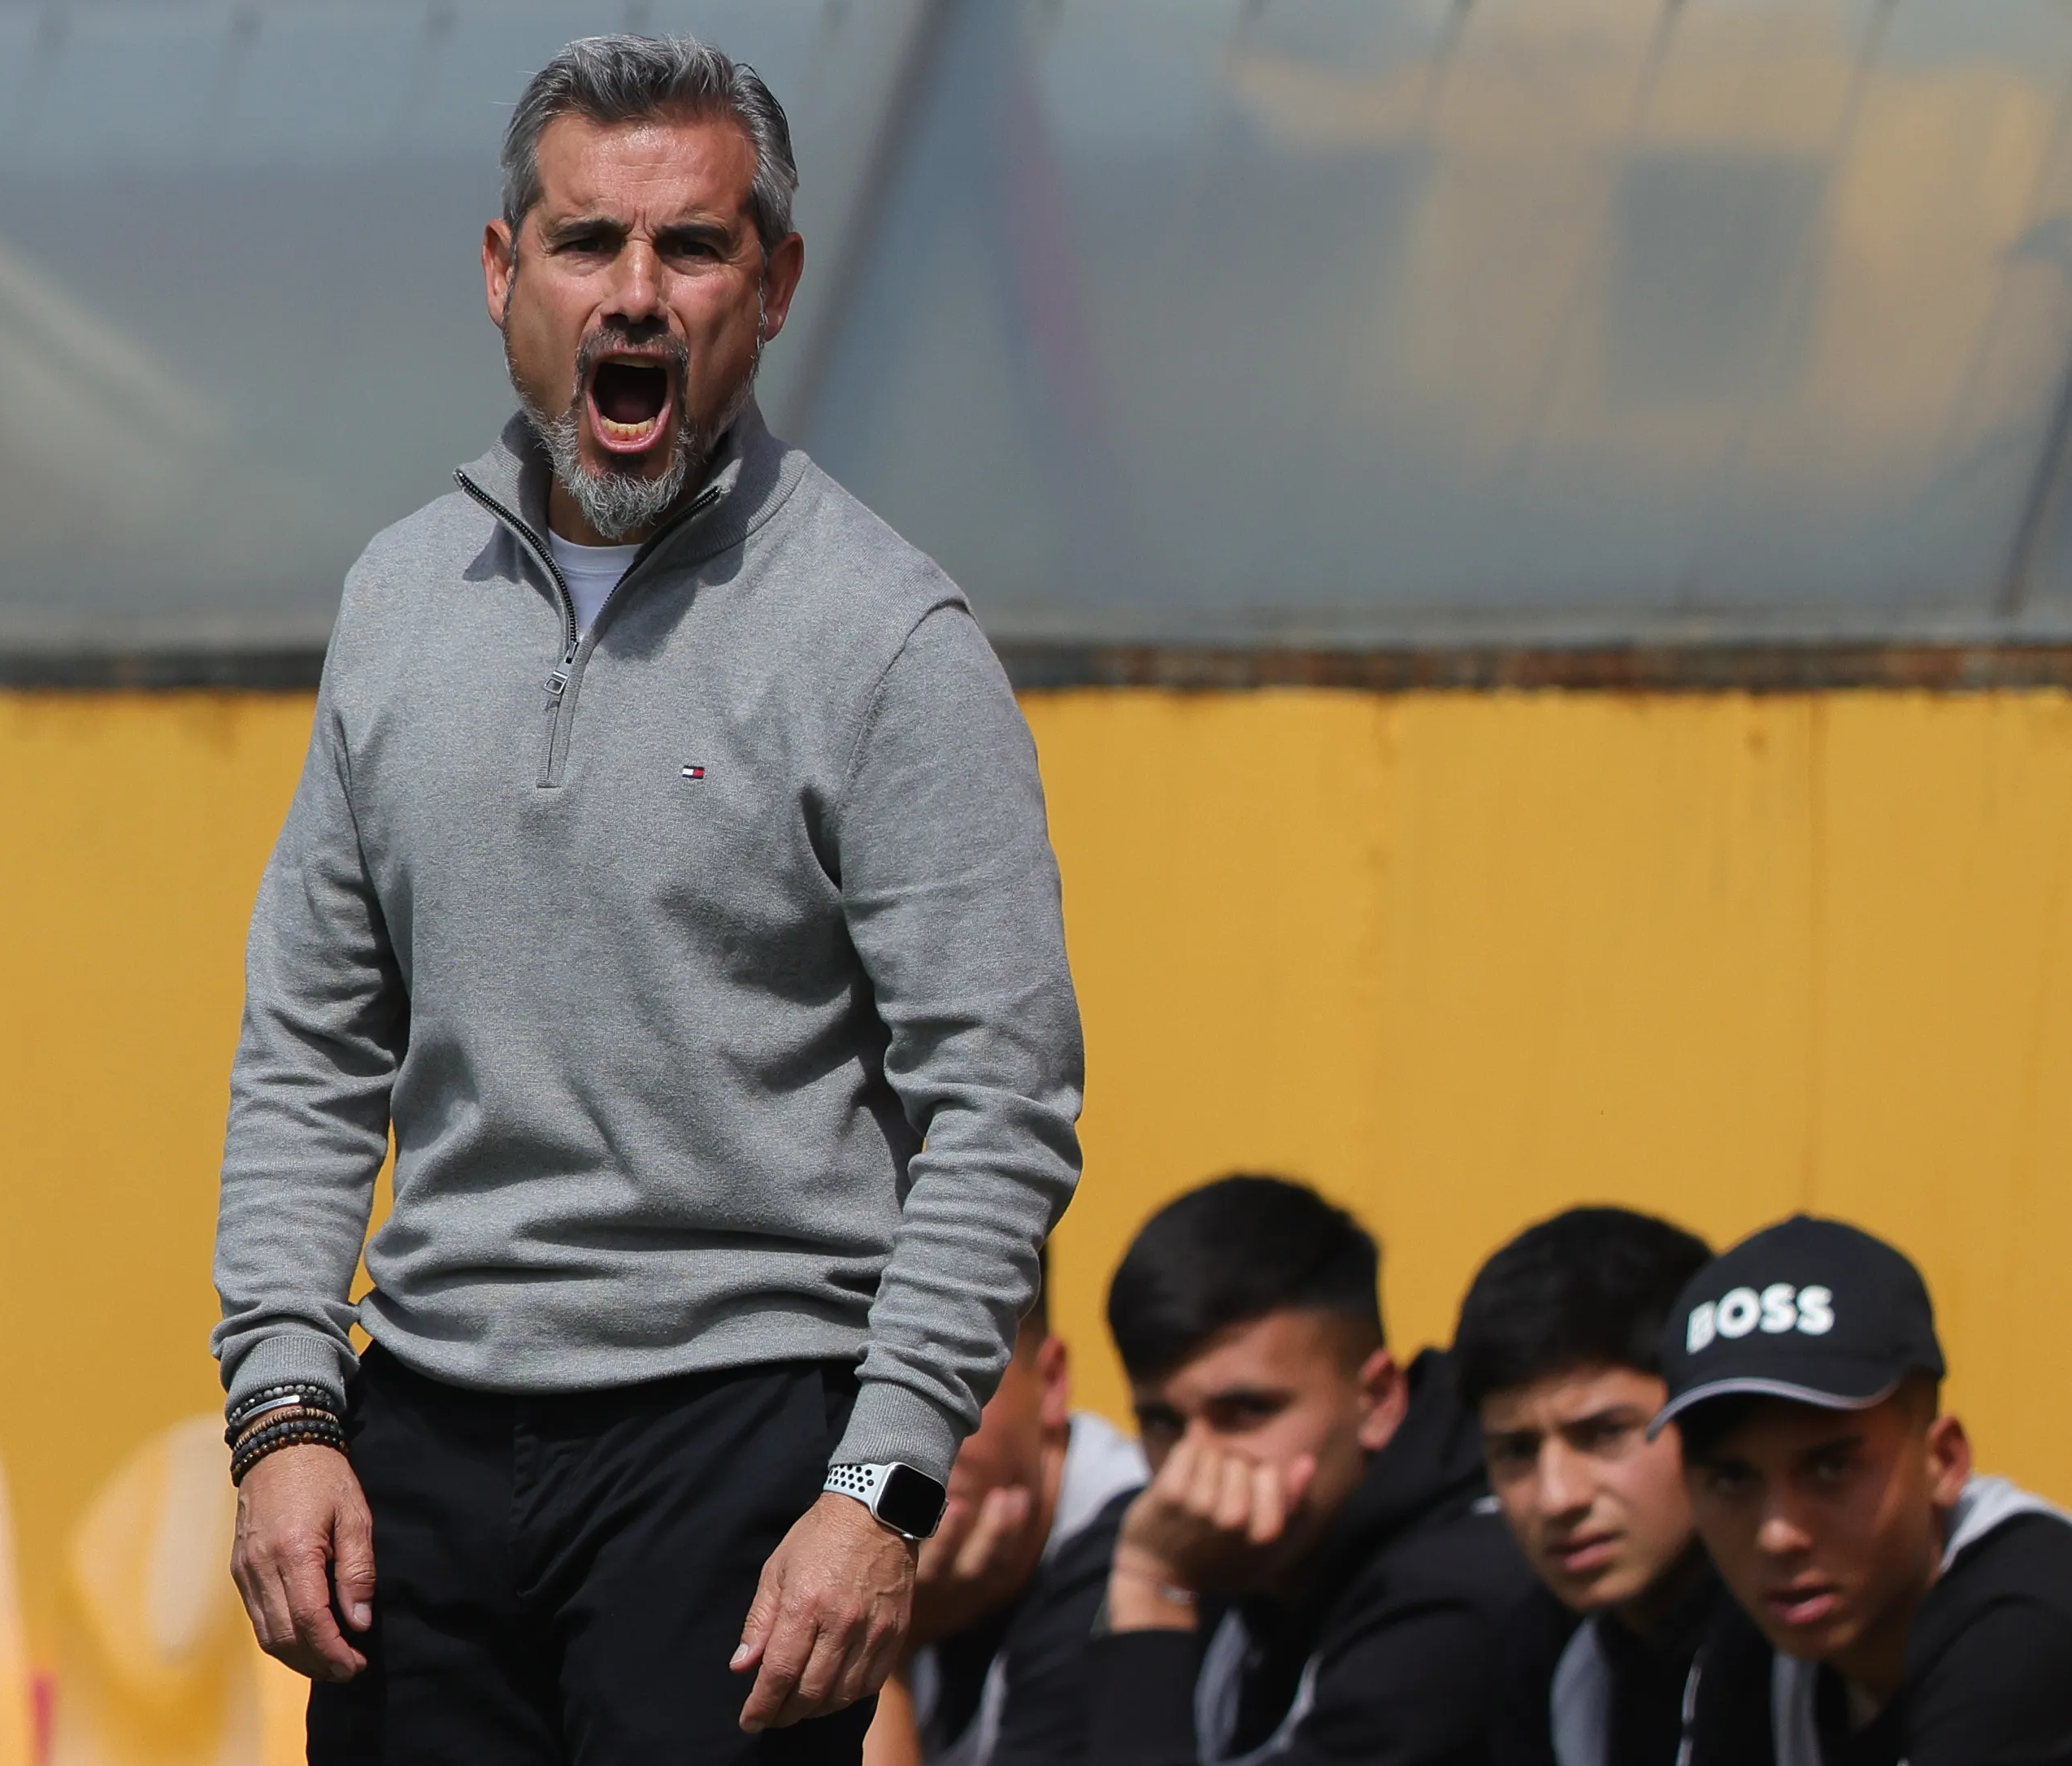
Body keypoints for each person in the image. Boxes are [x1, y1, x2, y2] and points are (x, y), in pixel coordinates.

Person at [210, 33, 1086, 1766]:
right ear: (500, 271)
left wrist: (880, 1486)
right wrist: (287, 1414)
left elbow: (1002, 1103)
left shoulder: (887, 637)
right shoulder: (399, 599)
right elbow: (309, 1053)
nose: (636, 294)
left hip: (742, 1450)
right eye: (585, 242)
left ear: (773, 286)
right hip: (427, 1452)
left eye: (691, 248)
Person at [1086, 1174, 1537, 1766]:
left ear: (1376, 1400)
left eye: (1247, 1411)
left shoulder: (1460, 1599)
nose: (1192, 1472)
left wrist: (1152, 1595)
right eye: (1164, 1424)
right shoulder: (1187, 1539)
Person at [1659, 1216, 2072, 1766]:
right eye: (1733, 1479)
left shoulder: (2030, 1621)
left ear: (1943, 1461)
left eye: (1830, 1469)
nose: (1778, 1535)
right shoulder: (1757, 1638)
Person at [1452, 1207, 1725, 1766]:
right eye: (1516, 1451)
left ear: (1708, 1422)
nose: (1557, 1497)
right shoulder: (1541, 1649)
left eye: (1605, 1435)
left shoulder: (1801, 1633)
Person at [867, 1246, 1147, 1766]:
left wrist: (880, 1649)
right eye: (853, 1389)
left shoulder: (1139, 1555)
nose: (884, 1436)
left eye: (940, 1380)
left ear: (1053, 1382)